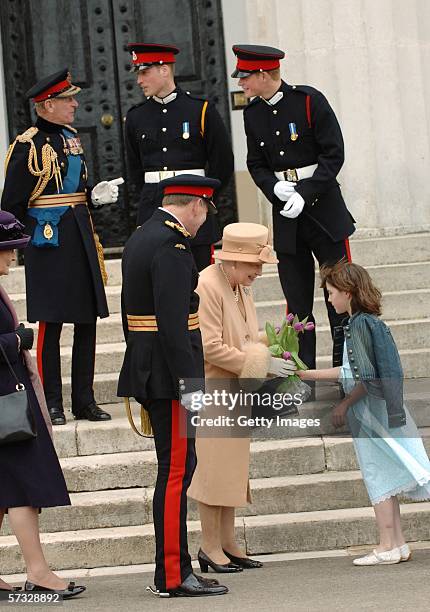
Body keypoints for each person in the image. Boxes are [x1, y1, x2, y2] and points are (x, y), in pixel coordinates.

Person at [117, 175, 228, 597]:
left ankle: (175, 568)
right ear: (196, 206)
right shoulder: (172, 245)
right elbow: (173, 324)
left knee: (177, 470)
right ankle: (172, 574)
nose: (204, 222)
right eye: (205, 212)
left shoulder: (144, 234)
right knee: (177, 472)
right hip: (168, 373)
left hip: (152, 368)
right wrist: (191, 385)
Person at [1, 68, 121, 425]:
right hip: (47, 243)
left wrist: (93, 199)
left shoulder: (72, 137)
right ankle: (52, 401)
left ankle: (84, 400)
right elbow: (12, 205)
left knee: (87, 322)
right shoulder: (28, 144)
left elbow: (74, 190)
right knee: (51, 324)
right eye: (68, 99)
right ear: (47, 104)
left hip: (80, 236)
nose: (75, 104)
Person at [231, 44, 356, 369]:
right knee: (297, 305)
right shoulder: (252, 114)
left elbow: (334, 154)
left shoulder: (310, 101)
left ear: (262, 73)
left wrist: (307, 191)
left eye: (245, 77)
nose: (241, 83)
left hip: (324, 211)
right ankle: (303, 376)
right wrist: (274, 187)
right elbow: (255, 163)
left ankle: (348, 370)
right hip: (287, 216)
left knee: (340, 297)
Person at [298, 261, 430, 565]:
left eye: (331, 294)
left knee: (378, 478)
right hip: (386, 409)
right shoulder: (371, 322)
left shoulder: (356, 325)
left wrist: (316, 381)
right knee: (386, 476)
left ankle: (386, 545)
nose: (329, 300)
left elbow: (358, 376)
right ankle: (397, 544)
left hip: (371, 413)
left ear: (347, 292)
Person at [187, 222, 296, 572]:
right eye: (254, 265)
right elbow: (209, 346)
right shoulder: (208, 285)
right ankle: (208, 547)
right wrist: (258, 363)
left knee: (232, 470)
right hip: (208, 390)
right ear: (232, 261)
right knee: (211, 470)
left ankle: (228, 542)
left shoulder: (239, 286)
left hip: (234, 389)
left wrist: (270, 353)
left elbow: (248, 336)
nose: (258, 273)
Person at [0, 210, 85, 598]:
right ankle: (38, 572)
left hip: (9, 399)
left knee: (10, 490)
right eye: (8, 251)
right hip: (7, 404)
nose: (13, 258)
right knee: (24, 490)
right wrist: (17, 340)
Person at [125, 43, 234, 271]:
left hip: (193, 203)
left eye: (144, 73)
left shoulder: (200, 110)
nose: (139, 81)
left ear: (164, 70)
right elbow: (135, 168)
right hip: (154, 204)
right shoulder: (136, 117)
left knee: (200, 277)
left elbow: (222, 162)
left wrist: (204, 199)